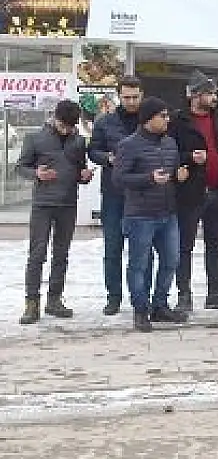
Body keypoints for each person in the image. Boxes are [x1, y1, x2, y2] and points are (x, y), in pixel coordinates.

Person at [114, 97, 189, 332]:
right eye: (162, 116)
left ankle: (159, 305)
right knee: (139, 264)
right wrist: (148, 179)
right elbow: (119, 179)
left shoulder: (170, 143)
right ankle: (140, 310)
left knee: (171, 260)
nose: (167, 120)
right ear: (148, 119)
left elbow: (172, 171)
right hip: (140, 215)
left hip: (168, 212)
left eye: (167, 115)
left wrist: (179, 175)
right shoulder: (129, 145)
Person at [168, 70, 218, 312]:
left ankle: (215, 292)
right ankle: (184, 294)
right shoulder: (178, 121)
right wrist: (189, 157)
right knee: (185, 245)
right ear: (195, 95)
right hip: (190, 191)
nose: (214, 98)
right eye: (209, 93)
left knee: (215, 243)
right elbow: (168, 153)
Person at [16, 100, 94, 325]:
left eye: (71, 127)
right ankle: (31, 303)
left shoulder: (78, 141)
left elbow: (79, 169)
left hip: (68, 204)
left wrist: (84, 176)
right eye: (63, 125)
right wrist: (36, 174)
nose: (67, 130)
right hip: (42, 204)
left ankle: (54, 299)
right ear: (54, 118)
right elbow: (20, 167)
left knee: (61, 254)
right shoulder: (35, 138)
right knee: (37, 254)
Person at [88, 74, 143, 316]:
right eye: (126, 97)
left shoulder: (150, 119)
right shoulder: (105, 122)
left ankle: (140, 296)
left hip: (143, 193)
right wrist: (107, 158)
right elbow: (93, 150)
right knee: (112, 248)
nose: (130, 102)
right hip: (114, 193)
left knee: (142, 249)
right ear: (119, 96)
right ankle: (113, 297)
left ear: (141, 95)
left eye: (135, 97)